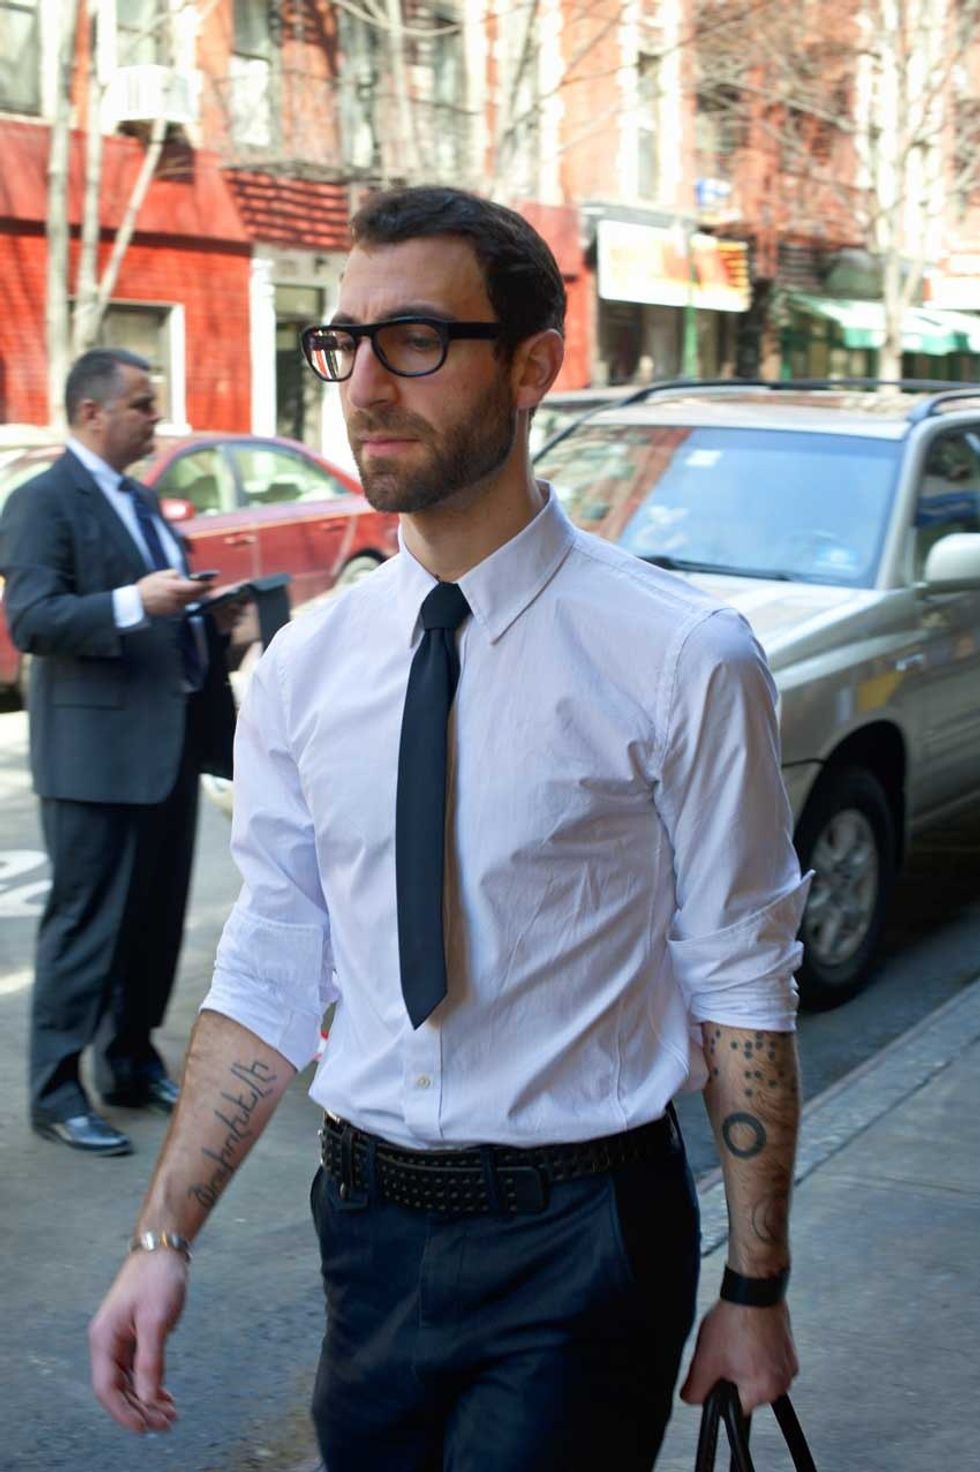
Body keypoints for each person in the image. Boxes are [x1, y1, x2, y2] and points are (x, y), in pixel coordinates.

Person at [88, 189, 810, 1467]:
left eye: (414, 340)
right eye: (343, 342)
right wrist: (161, 1238)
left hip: (581, 1237)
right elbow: (270, 965)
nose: (364, 386)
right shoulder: (305, 668)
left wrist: (753, 1286)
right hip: (364, 1230)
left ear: (531, 367)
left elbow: (742, 981)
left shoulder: (681, 656)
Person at [0, 348, 237, 1157]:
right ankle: (56, 1091)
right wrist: (136, 601)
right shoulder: (42, 502)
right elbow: (34, 619)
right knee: (87, 927)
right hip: (94, 758)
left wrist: (207, 616)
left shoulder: (139, 499)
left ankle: (130, 1063)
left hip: (165, 743)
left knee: (153, 924)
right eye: (140, 404)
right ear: (91, 412)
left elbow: (160, 607)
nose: (154, 417)